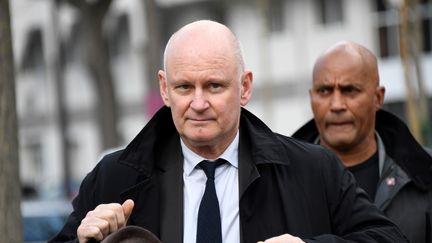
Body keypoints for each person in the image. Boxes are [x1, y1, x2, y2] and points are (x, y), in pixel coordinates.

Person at [50, 21, 408, 243]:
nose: (199, 103)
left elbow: (389, 238)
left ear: (245, 87)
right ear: (164, 89)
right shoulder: (116, 177)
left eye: (215, 86)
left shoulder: (313, 171)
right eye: (185, 87)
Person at [293, 41, 432, 243]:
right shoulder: (279, 178)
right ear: (311, 97)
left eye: (350, 90)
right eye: (324, 91)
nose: (336, 105)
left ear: (378, 97)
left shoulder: (424, 175)